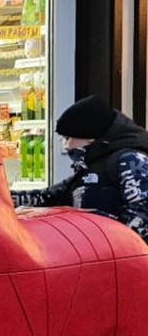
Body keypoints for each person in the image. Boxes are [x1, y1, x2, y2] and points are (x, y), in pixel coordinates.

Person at [13, 95, 148, 242]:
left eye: (68, 138)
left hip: (120, 252)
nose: (67, 146)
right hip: (102, 251)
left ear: (89, 137)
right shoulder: (92, 167)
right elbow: (47, 197)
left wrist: (110, 240)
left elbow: (142, 213)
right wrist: (1, 198)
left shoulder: (130, 160)